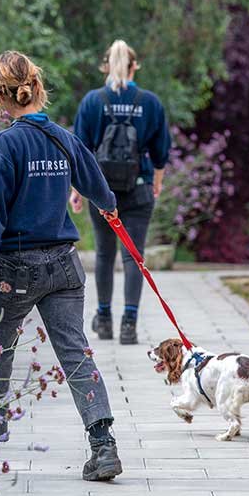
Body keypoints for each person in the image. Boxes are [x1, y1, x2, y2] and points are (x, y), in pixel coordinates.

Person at [0, 51, 123, 481]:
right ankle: (103, 444)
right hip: (64, 266)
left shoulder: (5, 144)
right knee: (75, 352)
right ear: (36, 89)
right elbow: (99, 188)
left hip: (14, 269)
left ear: (0, 97)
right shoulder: (62, 138)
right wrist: (108, 207)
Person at [71, 40, 171, 345]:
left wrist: (77, 190)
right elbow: (161, 150)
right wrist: (155, 181)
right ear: (134, 66)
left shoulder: (92, 101)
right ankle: (129, 323)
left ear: (105, 66)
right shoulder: (150, 102)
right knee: (133, 257)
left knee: (104, 254)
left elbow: (80, 149)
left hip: (102, 190)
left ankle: (103, 319)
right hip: (138, 189)